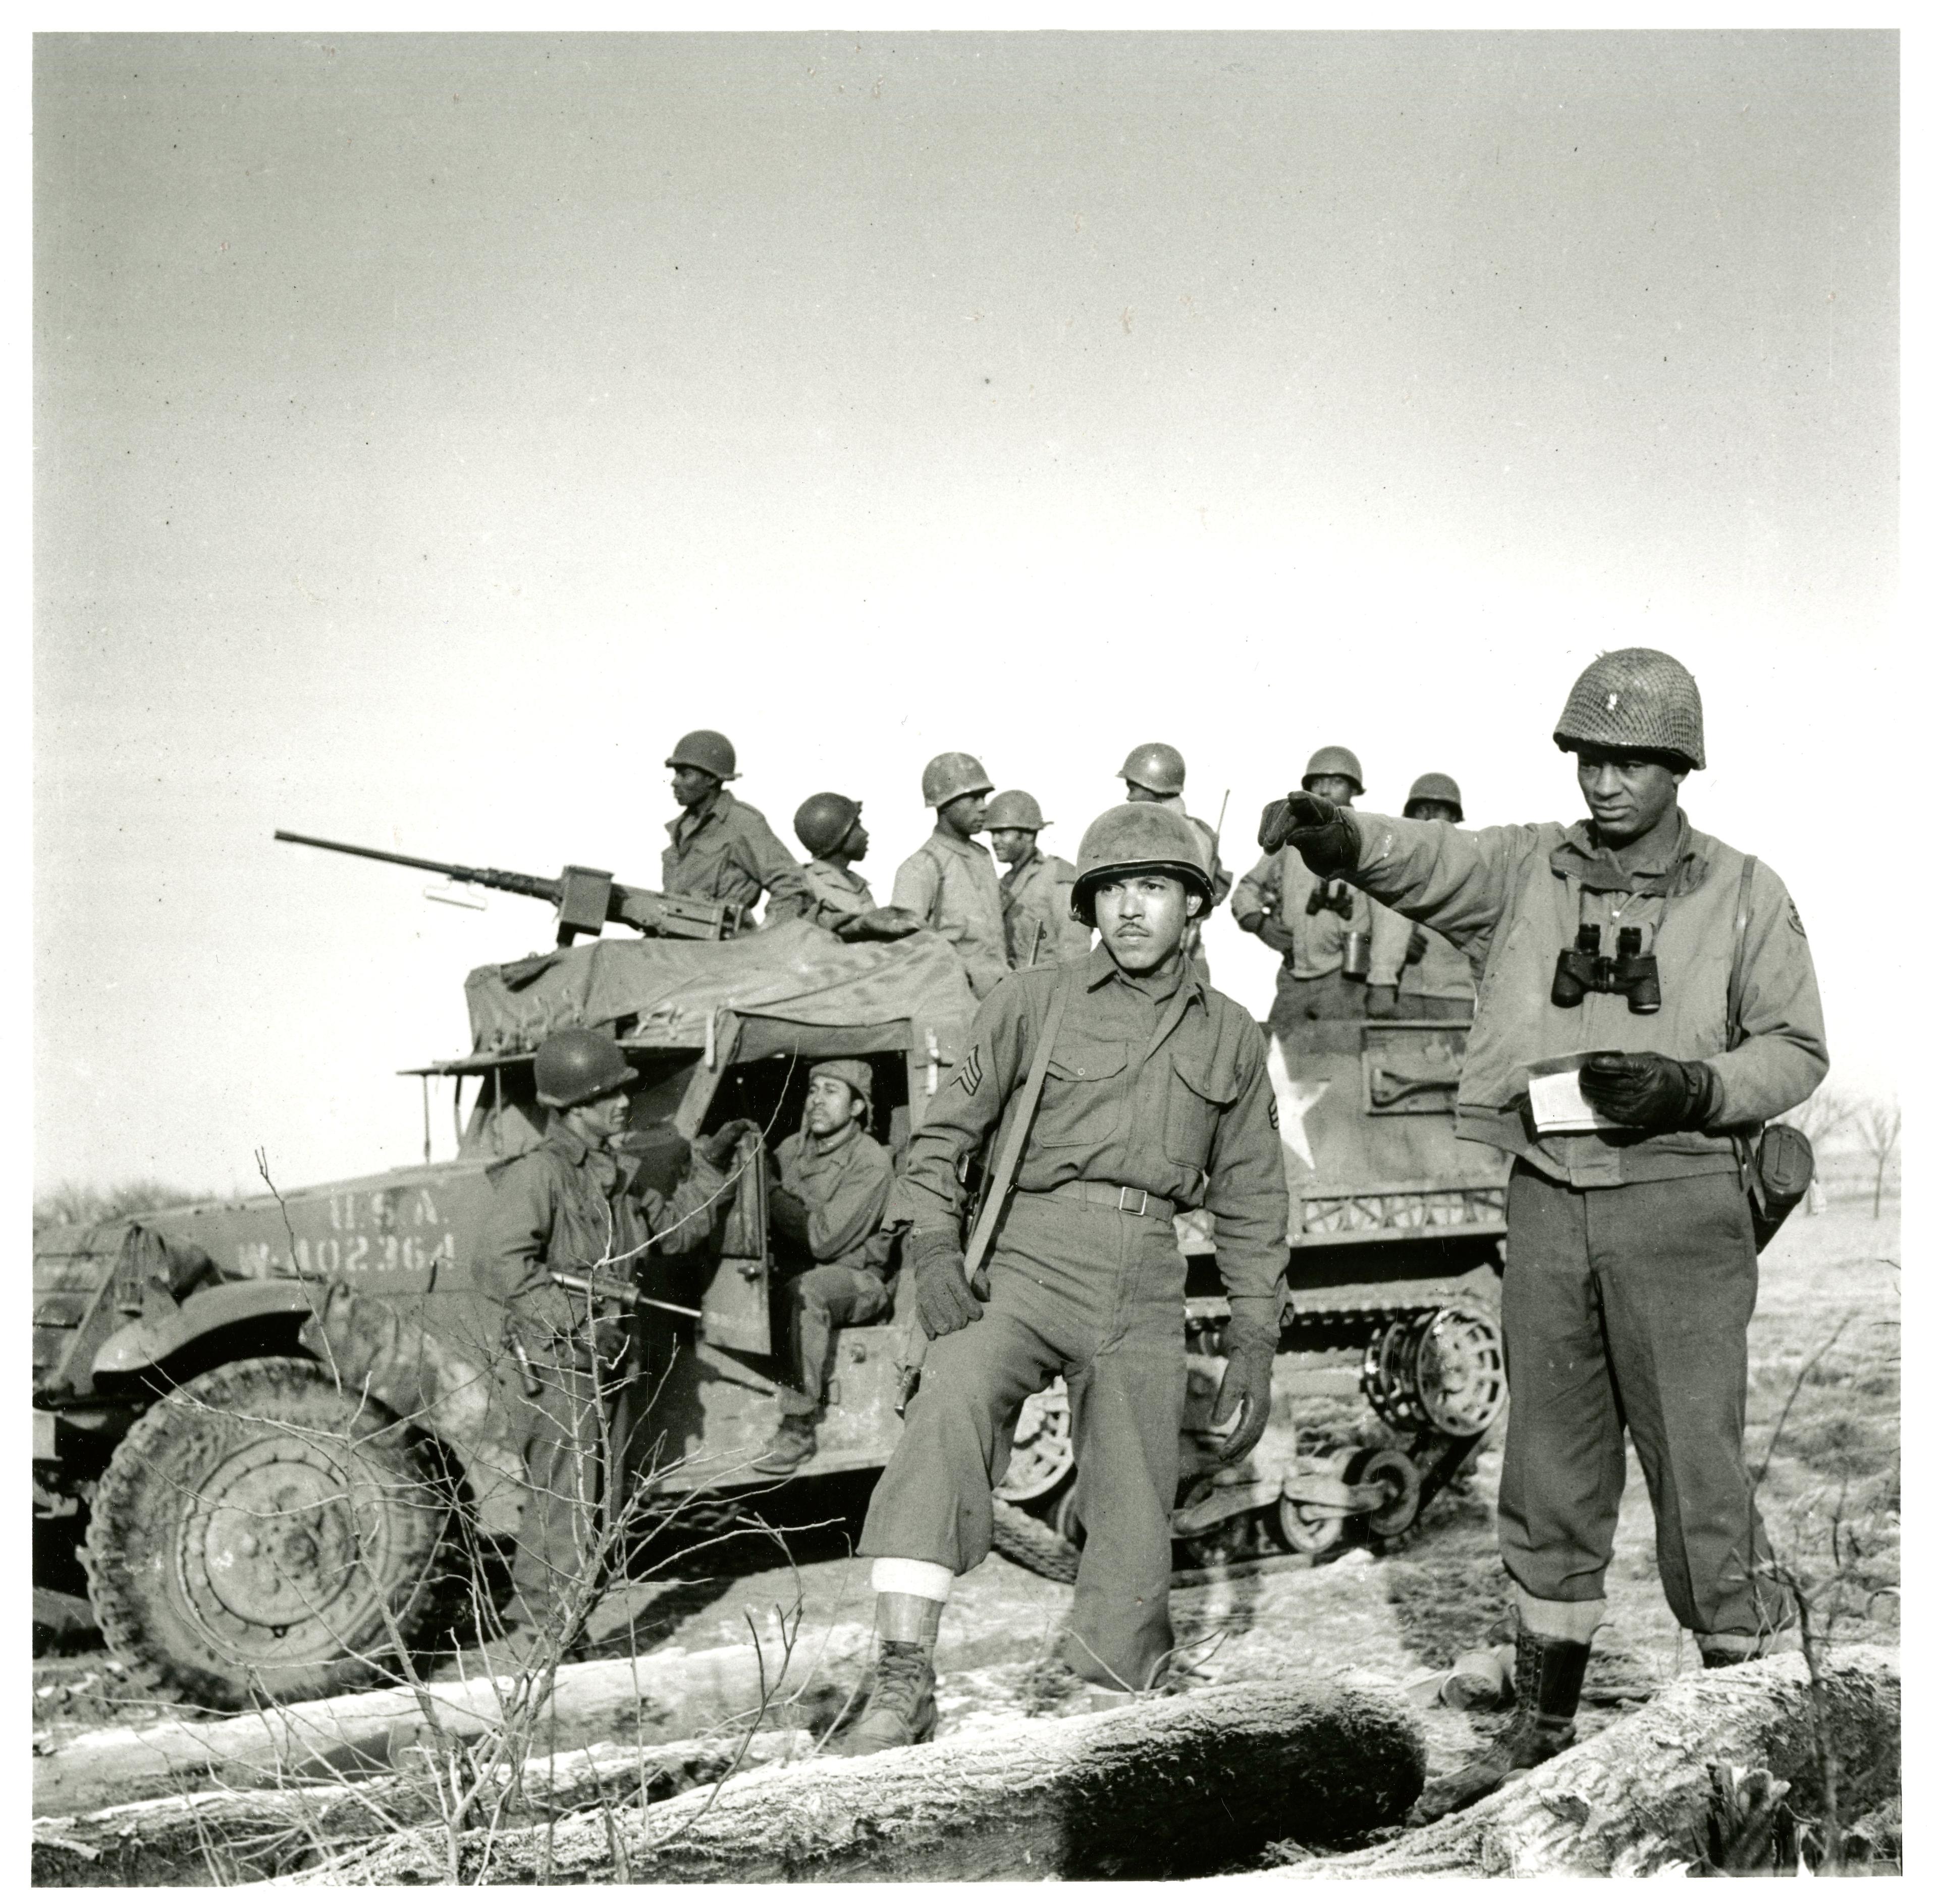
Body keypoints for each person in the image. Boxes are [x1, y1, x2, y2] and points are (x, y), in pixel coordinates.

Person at [1258, 649, 1827, 1819]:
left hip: (1677, 1200)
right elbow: (1432, 858)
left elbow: (1795, 1047)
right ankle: (1539, 1718)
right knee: (1549, 1469)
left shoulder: (1743, 890)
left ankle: (1750, 1731)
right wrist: (1342, 836)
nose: (1606, 779)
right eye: (1589, 757)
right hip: (1544, 1191)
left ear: (1678, 765)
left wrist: (1689, 1085)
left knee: (1698, 1471)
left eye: (1631, 759)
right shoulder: (1528, 868)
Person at [837, 803, 1289, 1753]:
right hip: (1027, 1259)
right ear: (1090, 905)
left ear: (1194, 906)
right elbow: (940, 1142)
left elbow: (1251, 1195)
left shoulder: (1233, 1037)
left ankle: (1112, 1696)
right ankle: (901, 1681)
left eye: (1154, 888)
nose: (1131, 909)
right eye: (1114, 889)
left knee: (1134, 1488)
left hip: (1146, 1271)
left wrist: (1254, 1334)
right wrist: (931, 1253)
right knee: (947, 1407)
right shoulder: (1030, 1002)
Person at [471, 1027, 743, 1651]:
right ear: (571, 1107)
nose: (625, 1102)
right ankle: (544, 1640)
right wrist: (575, 1321)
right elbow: (498, 1265)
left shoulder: (611, 1175)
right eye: (610, 1094)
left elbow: (670, 1233)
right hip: (563, 1360)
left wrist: (710, 1166)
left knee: (601, 1504)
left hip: (606, 1357)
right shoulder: (540, 1174)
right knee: (565, 1502)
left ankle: (568, 1631)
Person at [752, 1059, 898, 1474]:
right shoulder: (789, 1150)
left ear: (857, 1108)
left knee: (808, 1292)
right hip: (794, 1271)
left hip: (857, 1279)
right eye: (814, 1090)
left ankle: (798, 1426)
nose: (817, 1101)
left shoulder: (871, 1162)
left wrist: (771, 1191)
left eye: (831, 1091)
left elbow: (824, 1239)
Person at [1231, 745, 1375, 1046]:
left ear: (1353, 789)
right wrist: (1259, 923)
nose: (1325, 788)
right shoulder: (1291, 839)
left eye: (1336, 781)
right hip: (1294, 974)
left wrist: (1357, 974)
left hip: (1345, 975)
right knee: (1279, 1062)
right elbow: (1248, 888)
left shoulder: (1366, 835)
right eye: (1317, 782)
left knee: (1345, 1061)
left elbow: (1374, 912)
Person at [661, 728, 813, 924]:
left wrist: (766, 939)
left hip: (720, 949)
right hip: (676, 941)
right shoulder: (684, 827)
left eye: (685, 775)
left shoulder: (743, 823)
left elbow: (792, 886)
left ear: (712, 779)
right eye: (675, 774)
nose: (675, 782)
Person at [890, 753, 1010, 998]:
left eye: (984, 797)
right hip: (955, 1001)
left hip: (1000, 993)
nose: (984, 807)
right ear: (945, 804)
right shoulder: (921, 867)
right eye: (973, 798)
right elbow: (906, 950)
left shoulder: (982, 856)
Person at [1116, 742, 1232, 983]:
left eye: (1133, 787)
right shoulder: (1145, 829)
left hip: (1178, 959)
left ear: (1153, 785)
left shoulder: (1189, 834)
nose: (1129, 796)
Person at [1366, 774, 1477, 1022]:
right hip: (1406, 992)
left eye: (1438, 810)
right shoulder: (1398, 864)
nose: (1428, 817)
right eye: (1422, 810)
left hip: (1456, 995)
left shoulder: (1472, 865)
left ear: (1454, 818)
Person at [790, 793, 922, 942]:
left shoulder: (854, 882)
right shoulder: (806, 883)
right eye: (857, 826)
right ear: (838, 836)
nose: (865, 833)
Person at [986, 789, 1092, 968]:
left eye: (1003, 832)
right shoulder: (1004, 883)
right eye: (992, 833)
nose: (995, 840)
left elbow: (1074, 948)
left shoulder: (1057, 876)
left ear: (1028, 835)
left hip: (1048, 989)